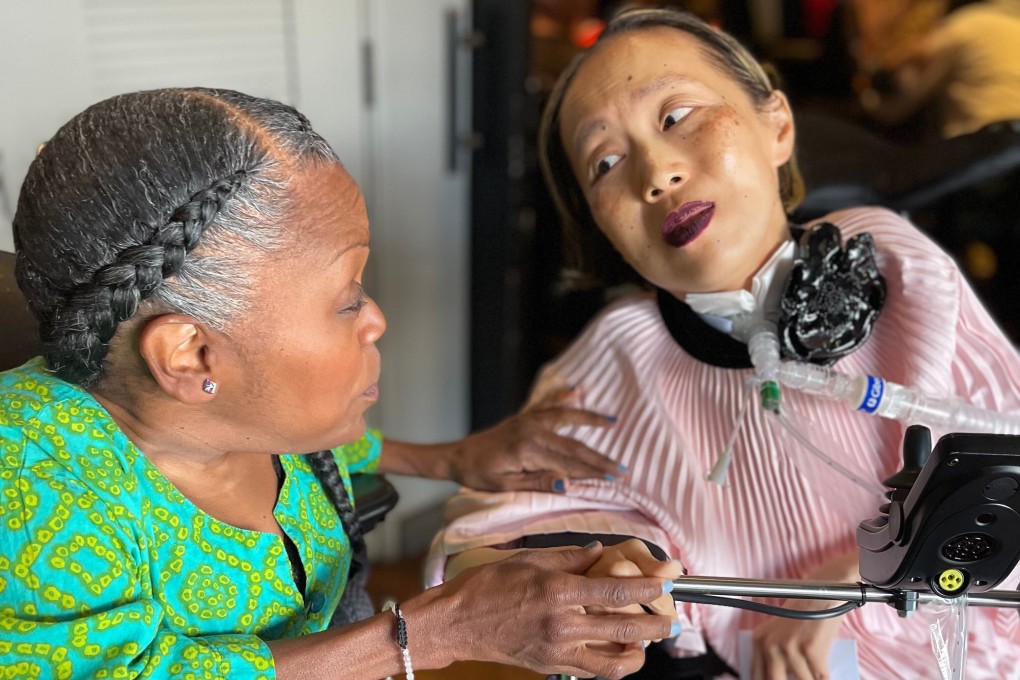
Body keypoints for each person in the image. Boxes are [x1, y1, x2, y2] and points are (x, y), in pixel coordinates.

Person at [0, 88, 685, 679]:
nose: (377, 319)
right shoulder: (29, 490)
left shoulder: (246, 416)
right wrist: (438, 631)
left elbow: (328, 456)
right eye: (348, 297)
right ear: (190, 355)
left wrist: (451, 460)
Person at [426, 8, 1020, 679]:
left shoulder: (892, 261)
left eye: (677, 116)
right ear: (603, 229)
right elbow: (480, 547)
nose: (654, 173)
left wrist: (866, 571)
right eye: (606, 162)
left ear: (778, 126)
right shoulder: (610, 367)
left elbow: (1007, 458)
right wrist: (607, 566)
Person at [858, 0, 1020, 139]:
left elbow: (896, 108)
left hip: (981, 155)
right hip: (1009, 149)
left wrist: (864, 93)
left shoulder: (960, 29)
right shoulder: (1013, 27)